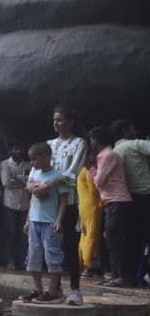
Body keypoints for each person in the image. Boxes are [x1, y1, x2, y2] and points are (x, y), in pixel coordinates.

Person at [32, 105, 87, 305]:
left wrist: (49, 185)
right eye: (54, 119)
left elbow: (73, 172)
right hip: (47, 205)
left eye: (60, 119)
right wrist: (36, 188)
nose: (56, 123)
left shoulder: (79, 143)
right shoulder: (49, 144)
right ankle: (54, 289)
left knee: (70, 245)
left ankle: (75, 289)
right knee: (49, 248)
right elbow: (37, 169)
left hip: (68, 201)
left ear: (70, 122)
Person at [89, 125, 136, 287]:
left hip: (118, 201)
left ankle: (123, 276)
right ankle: (115, 275)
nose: (91, 143)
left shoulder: (109, 155)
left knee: (115, 240)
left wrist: (93, 174)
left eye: (92, 139)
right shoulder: (104, 155)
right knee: (110, 239)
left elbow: (99, 181)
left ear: (96, 140)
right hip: (110, 202)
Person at [23, 141, 70, 303]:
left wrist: (59, 220)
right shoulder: (34, 175)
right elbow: (32, 199)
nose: (32, 163)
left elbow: (64, 200)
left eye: (34, 159)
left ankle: (52, 291)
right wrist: (28, 219)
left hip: (50, 222)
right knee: (33, 256)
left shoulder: (57, 176)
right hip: (34, 220)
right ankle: (38, 289)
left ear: (45, 157)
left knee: (52, 256)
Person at [112, 120, 150, 281]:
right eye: (132, 128)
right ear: (125, 130)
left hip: (127, 198)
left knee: (132, 238)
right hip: (145, 195)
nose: (135, 131)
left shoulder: (115, 150)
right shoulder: (135, 144)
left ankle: (130, 276)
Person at [0, 142, 31, 270]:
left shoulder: (28, 165)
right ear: (11, 150)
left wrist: (16, 178)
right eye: (15, 148)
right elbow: (6, 182)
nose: (18, 151)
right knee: (10, 233)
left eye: (20, 148)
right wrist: (24, 180)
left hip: (25, 204)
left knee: (23, 234)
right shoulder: (4, 164)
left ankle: (22, 260)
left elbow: (31, 182)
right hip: (9, 203)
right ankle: (10, 260)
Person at [77, 153, 105, 278]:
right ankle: (87, 267)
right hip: (93, 206)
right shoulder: (90, 172)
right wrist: (103, 198)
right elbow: (93, 190)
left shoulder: (81, 172)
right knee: (91, 236)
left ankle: (82, 264)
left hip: (83, 207)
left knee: (84, 235)